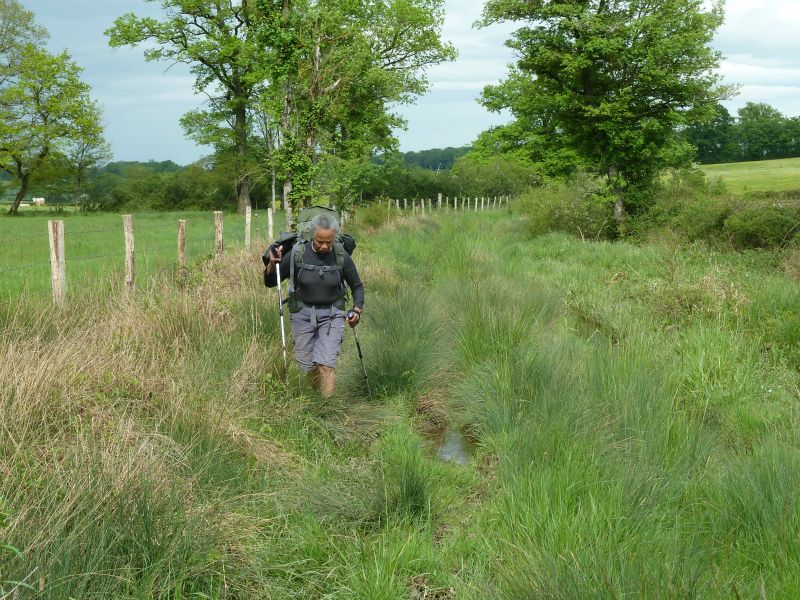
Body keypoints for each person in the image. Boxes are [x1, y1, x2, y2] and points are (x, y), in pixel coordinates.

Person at [264, 214, 364, 397]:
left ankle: (326, 407)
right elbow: (271, 282)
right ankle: (315, 401)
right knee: (308, 366)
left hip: (333, 314)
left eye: (329, 242)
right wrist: (272, 263)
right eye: (319, 242)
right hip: (302, 314)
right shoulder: (297, 253)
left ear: (334, 238)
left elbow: (357, 286)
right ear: (311, 236)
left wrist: (357, 309)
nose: (324, 246)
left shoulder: (341, 255)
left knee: (326, 365)